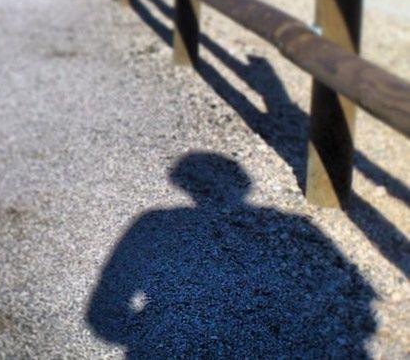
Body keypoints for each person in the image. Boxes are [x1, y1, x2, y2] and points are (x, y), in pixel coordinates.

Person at [86, 152, 375, 358]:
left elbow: (106, 309)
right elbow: (356, 294)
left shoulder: (155, 223)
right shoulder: (294, 224)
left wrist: (152, 337)